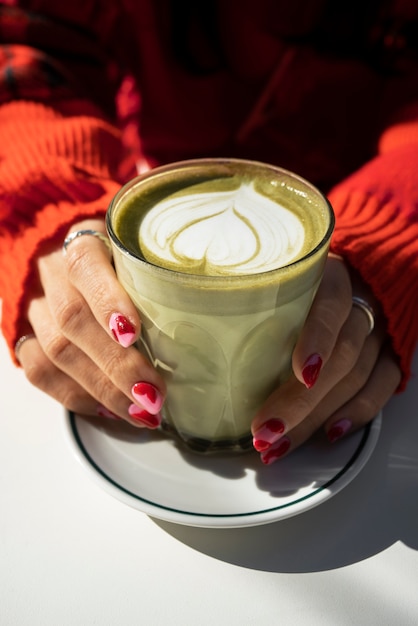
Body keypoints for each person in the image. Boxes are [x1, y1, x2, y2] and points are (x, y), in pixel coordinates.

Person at [0, 1, 417, 465]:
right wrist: (45, 201)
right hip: (141, 202)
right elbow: (26, 39)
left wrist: (390, 232)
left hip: (340, 232)